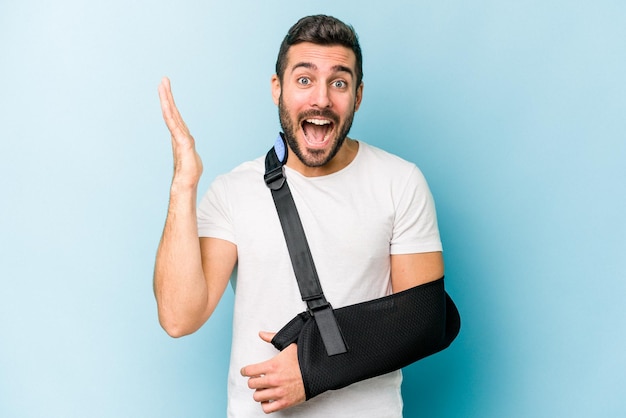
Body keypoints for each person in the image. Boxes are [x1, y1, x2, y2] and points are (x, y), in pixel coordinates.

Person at [154, 14, 444, 417]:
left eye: (338, 82)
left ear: (358, 96)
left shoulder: (400, 181)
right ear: (278, 89)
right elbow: (177, 318)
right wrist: (183, 184)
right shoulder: (233, 191)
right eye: (304, 79)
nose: (321, 99)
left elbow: (423, 321)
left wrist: (312, 367)